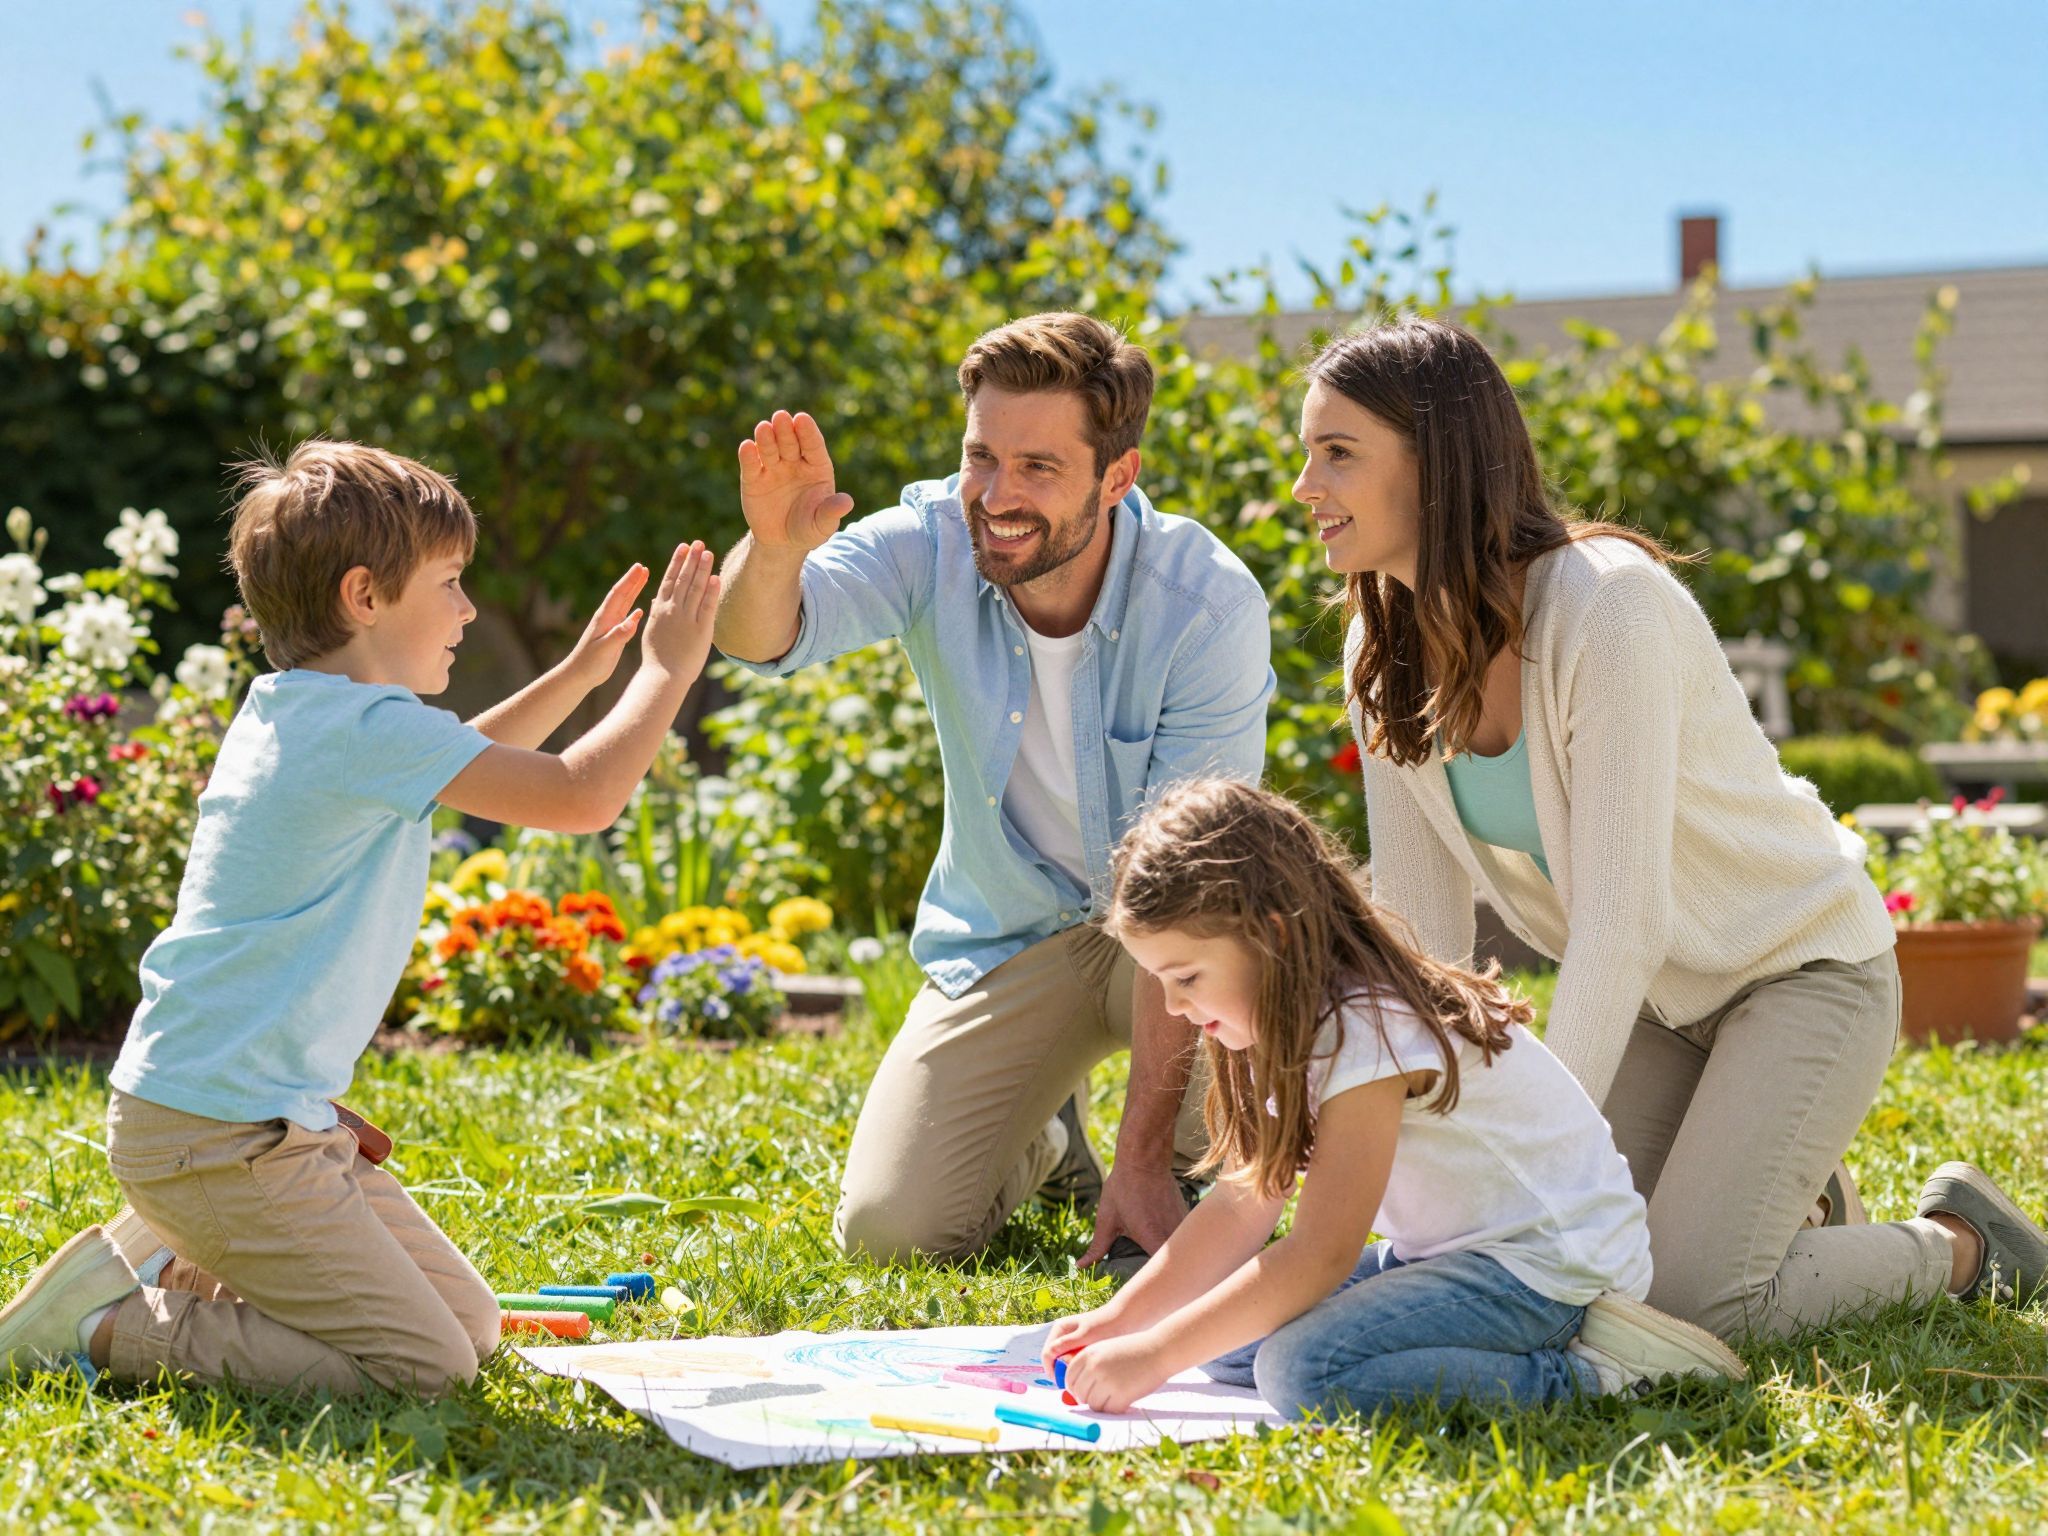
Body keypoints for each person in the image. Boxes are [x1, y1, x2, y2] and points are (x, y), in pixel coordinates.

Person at [1302, 315, 2047, 1339]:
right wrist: (1419, 1129)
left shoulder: (1609, 607)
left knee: (1693, 1303)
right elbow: (1422, 933)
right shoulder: (1377, 650)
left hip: (1800, 972)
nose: (1304, 486)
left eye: (1337, 452)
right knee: (1597, 1269)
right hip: (1661, 1004)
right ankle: (1800, 1196)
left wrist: (1537, 1149)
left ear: (1436, 463)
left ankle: (1960, 1244)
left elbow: (1621, 926)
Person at [0, 440, 721, 1393]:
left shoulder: (309, 714)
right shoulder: (358, 730)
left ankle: (177, 1250)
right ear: (365, 597)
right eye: (451, 583)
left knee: (471, 1326)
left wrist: (581, 676)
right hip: (222, 1139)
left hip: (245, 1126)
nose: (468, 609)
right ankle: (105, 1325)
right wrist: (667, 670)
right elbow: (582, 796)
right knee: (427, 1369)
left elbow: (460, 758)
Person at [713, 313, 1274, 1271]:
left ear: (1117, 477)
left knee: (1213, 1132)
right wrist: (773, 549)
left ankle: (1153, 1158)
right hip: (1012, 937)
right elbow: (757, 639)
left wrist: (1142, 1163)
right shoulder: (932, 538)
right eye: (983, 457)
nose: (998, 495)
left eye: (1039, 468)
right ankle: (1048, 1138)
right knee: (889, 1233)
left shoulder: (1204, 604)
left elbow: (1193, 892)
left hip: (1178, 939)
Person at [1044, 779, 1742, 1417]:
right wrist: (1123, 1323)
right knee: (1225, 1345)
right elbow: (1242, 1203)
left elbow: (1320, 1253)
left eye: (1187, 978)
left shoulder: (1364, 1026)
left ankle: (1597, 1376)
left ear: (1270, 935)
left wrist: (1154, 1357)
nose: (1173, 1006)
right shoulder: (1277, 1014)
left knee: (1299, 1370)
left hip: (1546, 1269)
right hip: (1448, 1256)